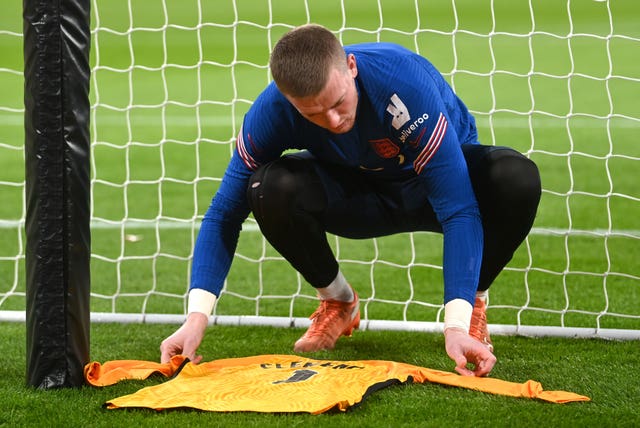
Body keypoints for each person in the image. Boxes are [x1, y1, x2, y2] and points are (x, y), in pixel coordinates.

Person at [160, 24, 541, 377]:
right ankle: (338, 302)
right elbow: (223, 214)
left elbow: (458, 208)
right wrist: (196, 318)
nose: (333, 120)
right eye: (313, 114)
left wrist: (454, 325)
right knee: (267, 186)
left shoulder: (401, 80)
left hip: (432, 187)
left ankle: (472, 305)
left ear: (351, 67)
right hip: (359, 195)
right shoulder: (273, 111)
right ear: (290, 102)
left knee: (515, 177)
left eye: (338, 102)